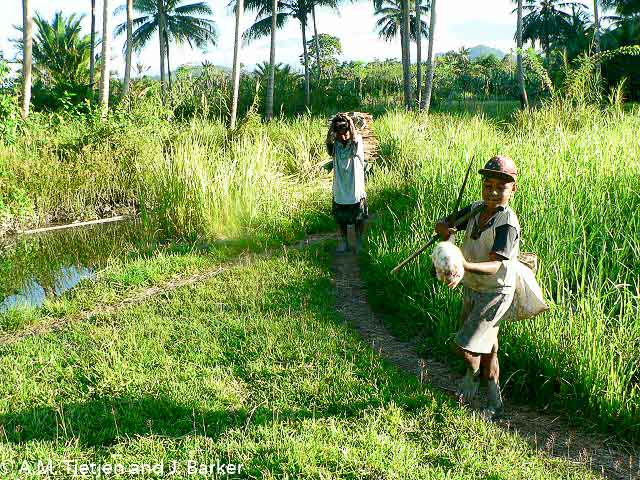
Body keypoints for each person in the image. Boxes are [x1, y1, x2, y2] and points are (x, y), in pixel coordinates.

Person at [435, 155, 521, 419]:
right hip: (474, 286)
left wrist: (463, 265)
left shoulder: (507, 223)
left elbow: (496, 266)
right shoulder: (475, 209)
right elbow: (446, 224)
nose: (493, 192)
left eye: (501, 187)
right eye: (488, 185)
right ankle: (495, 404)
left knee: (466, 345)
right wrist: (444, 229)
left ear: (513, 189)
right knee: (489, 349)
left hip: (495, 292)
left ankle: (471, 378)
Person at [325, 113, 368, 253]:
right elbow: (328, 143)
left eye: (346, 133)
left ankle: (359, 242)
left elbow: (354, 136)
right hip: (340, 187)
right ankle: (344, 242)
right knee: (340, 218)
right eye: (340, 133)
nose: (343, 136)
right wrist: (332, 127)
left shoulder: (356, 142)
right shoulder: (335, 146)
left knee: (359, 217)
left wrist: (349, 122)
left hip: (355, 186)